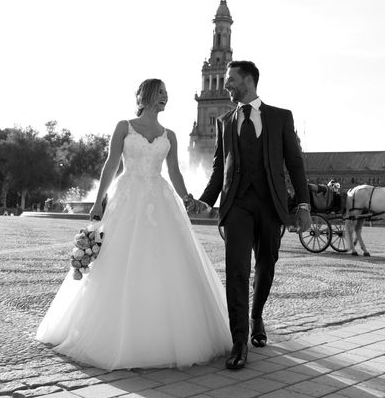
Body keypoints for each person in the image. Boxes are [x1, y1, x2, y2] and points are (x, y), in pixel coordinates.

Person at [36, 79, 230, 370]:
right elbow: (111, 164)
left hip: (160, 197)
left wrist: (187, 197)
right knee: (116, 259)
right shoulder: (124, 127)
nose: (166, 97)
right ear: (146, 95)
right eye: (161, 92)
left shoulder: (171, 135)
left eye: (166, 93)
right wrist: (98, 200)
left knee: (166, 261)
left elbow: (174, 171)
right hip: (126, 196)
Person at [191, 61, 312, 370]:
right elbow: (220, 169)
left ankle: (257, 315)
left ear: (248, 79)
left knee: (267, 265)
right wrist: (205, 201)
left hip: (272, 204)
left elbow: (295, 163)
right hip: (237, 207)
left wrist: (303, 204)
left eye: (231, 80)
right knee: (236, 270)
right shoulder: (224, 121)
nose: (226, 85)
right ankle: (239, 341)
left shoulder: (280, 117)